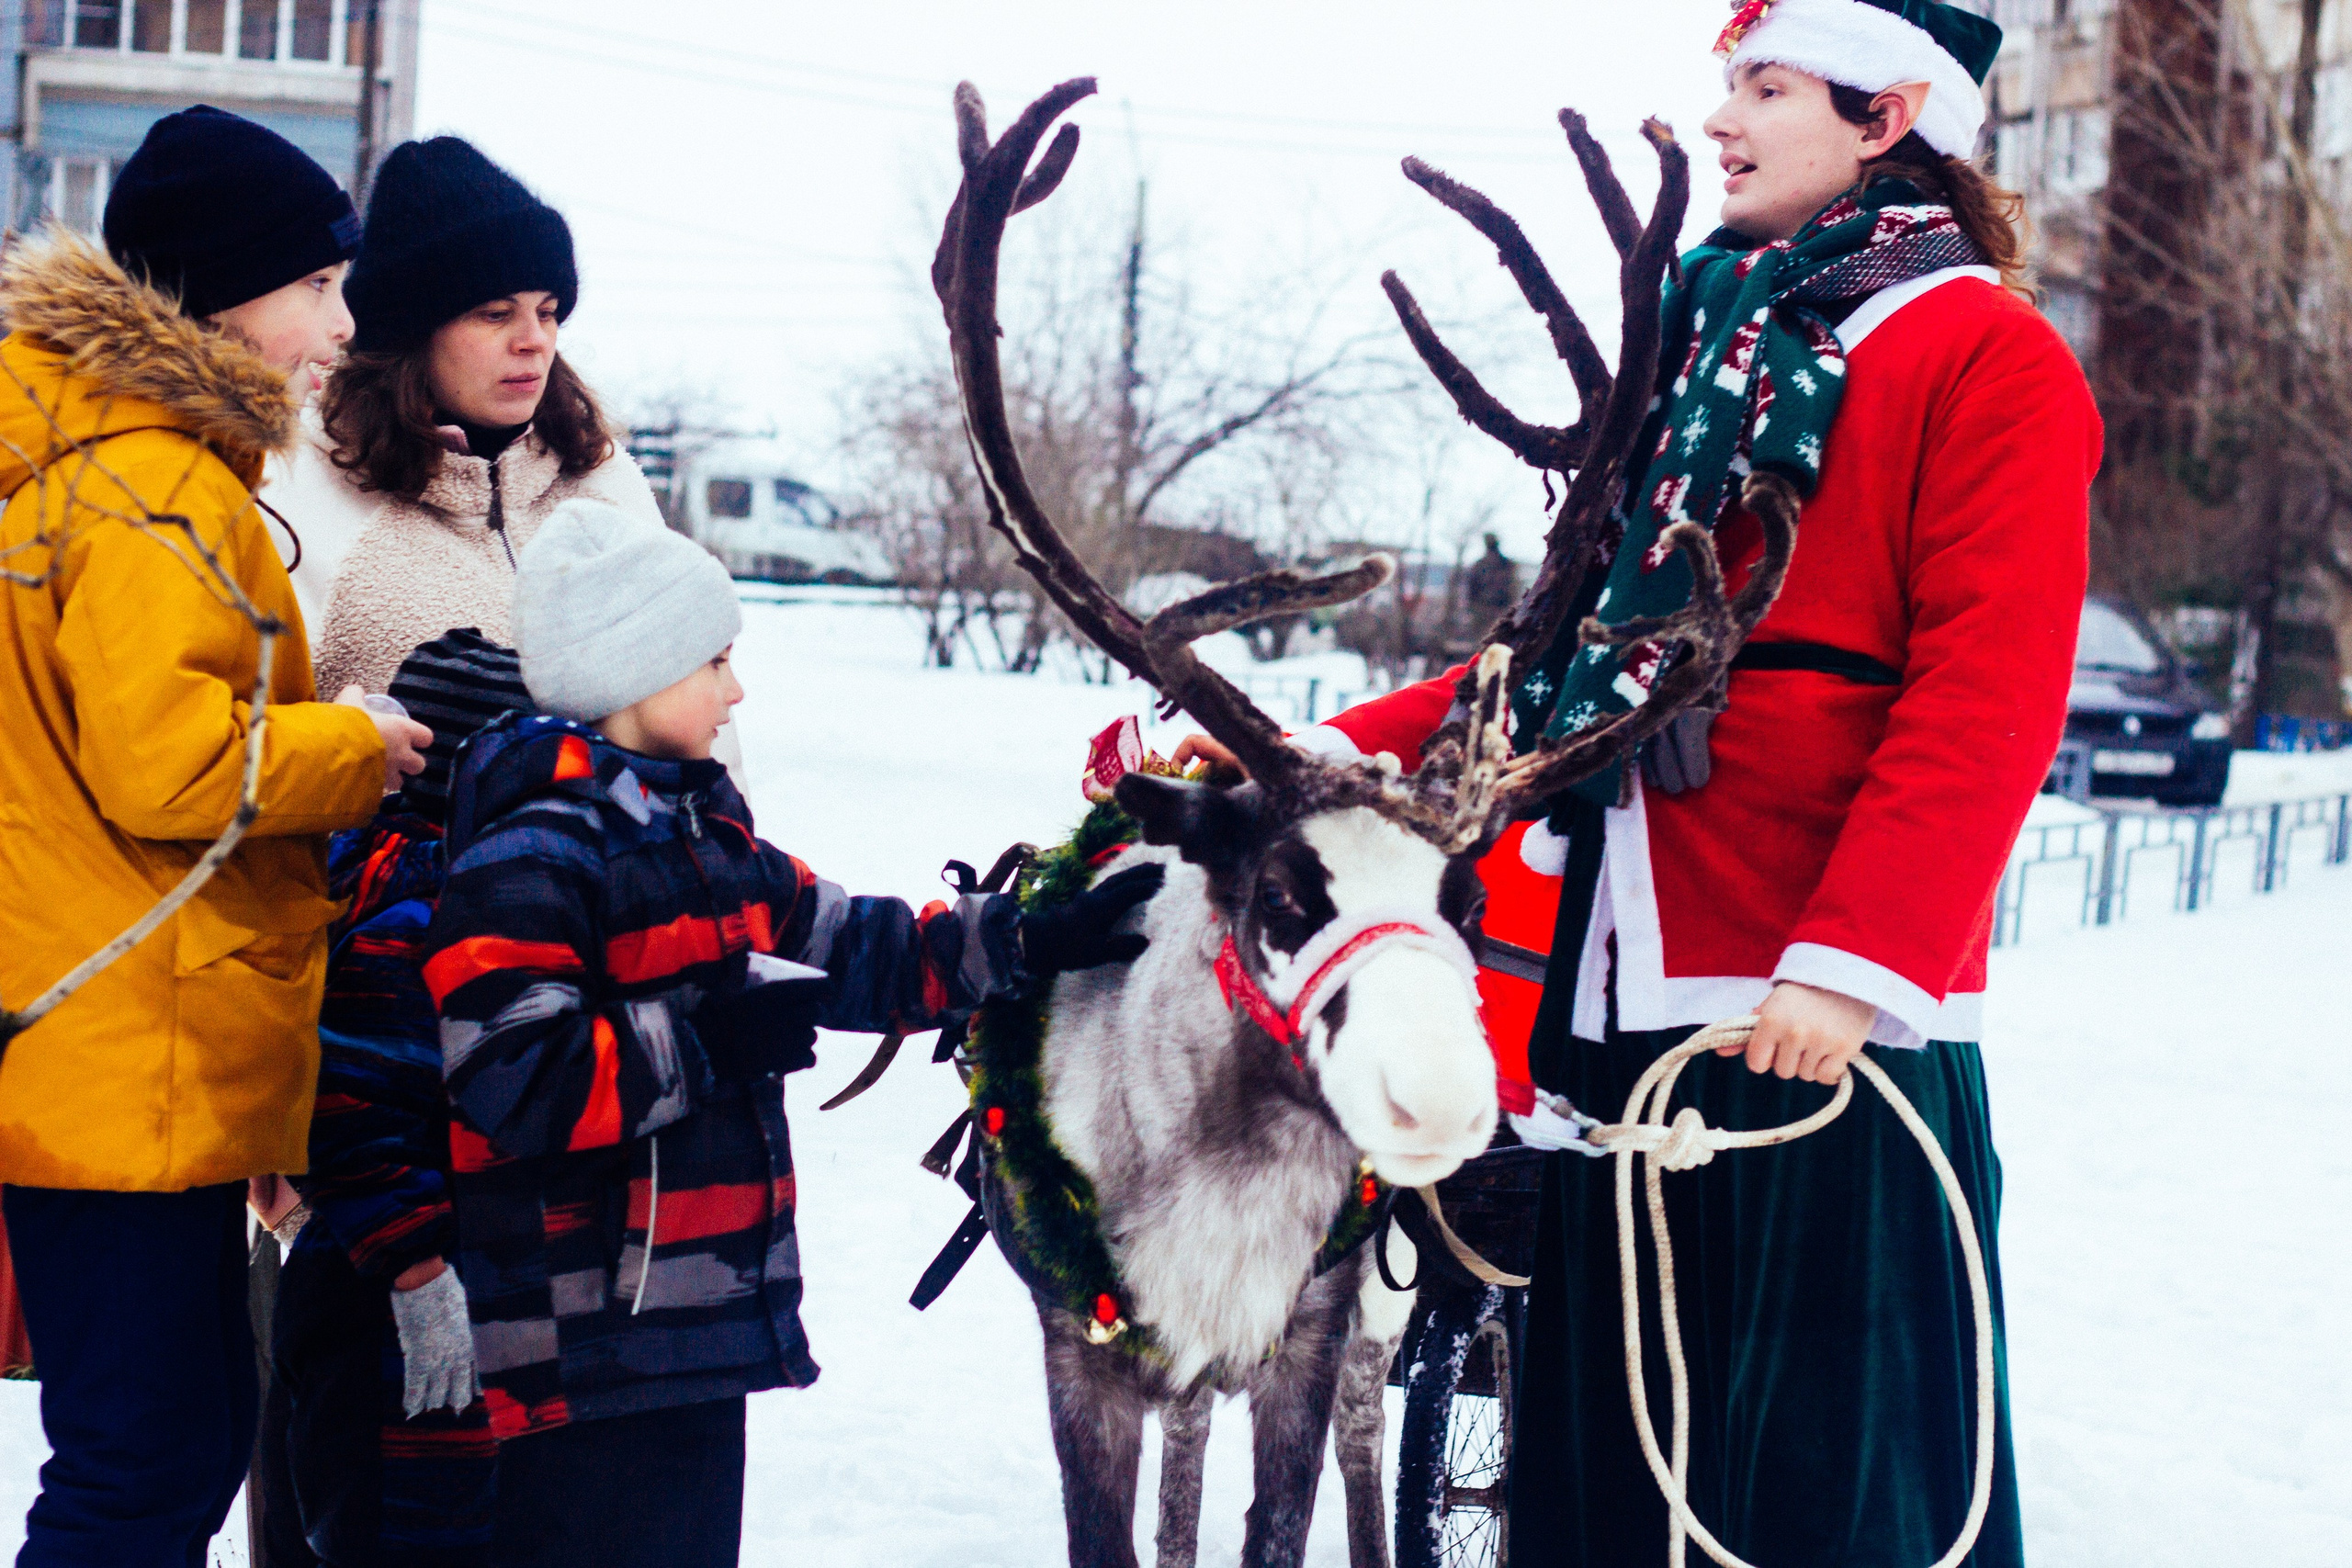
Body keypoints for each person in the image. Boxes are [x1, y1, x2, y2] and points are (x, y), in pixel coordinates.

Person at [1192, 2, 2098, 1561]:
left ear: (1886, 118)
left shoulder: (1985, 353)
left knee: (1826, 1487)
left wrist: (1851, 963)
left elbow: (1989, 693)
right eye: (1725, 85)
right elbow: (1554, 654)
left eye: (1765, 85)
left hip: (1816, 1022)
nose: (1720, 120)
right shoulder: (1702, 357)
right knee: (1608, 1477)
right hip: (1616, 1003)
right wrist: (1325, 748)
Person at [421, 502, 1161, 1568]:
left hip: (697, 1324)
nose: (736, 692)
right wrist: (708, 1044)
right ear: (636, 672)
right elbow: (509, 1078)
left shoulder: (710, 838)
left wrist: (1024, 937)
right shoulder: (530, 857)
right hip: (578, 1347)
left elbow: (857, 947)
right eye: (716, 661)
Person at [0, 105, 430, 1567]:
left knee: (168, 1443)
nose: (344, 322)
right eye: (316, 284)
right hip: (125, 1058)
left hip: (112, 1046)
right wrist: (357, 746)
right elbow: (169, 765)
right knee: (145, 1464)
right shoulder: (153, 482)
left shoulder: (102, 459)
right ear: (222, 292)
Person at [267, 135, 668, 704]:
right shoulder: (301, 495)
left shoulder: (606, 481)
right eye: (495, 314)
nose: (534, 340)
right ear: (411, 333)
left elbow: (700, 713)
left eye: (548, 311)